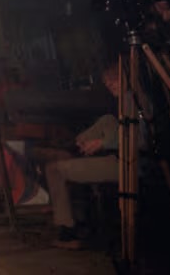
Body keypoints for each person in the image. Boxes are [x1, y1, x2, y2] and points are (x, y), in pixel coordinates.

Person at [46, 65, 127, 249]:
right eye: (107, 81)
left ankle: (68, 233)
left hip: (126, 162)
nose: (109, 84)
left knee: (54, 170)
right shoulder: (124, 102)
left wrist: (103, 143)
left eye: (114, 79)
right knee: (107, 120)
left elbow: (140, 139)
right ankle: (75, 146)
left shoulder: (133, 101)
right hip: (117, 152)